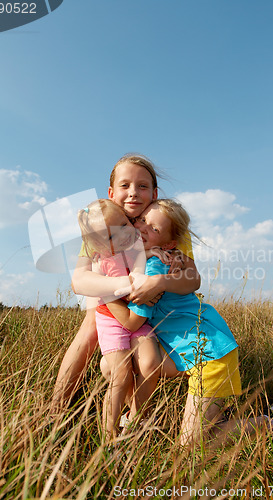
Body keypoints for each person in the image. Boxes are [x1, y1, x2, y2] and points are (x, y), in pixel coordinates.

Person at [103, 199, 273, 447]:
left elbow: (133, 323)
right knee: (112, 364)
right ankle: (141, 419)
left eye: (154, 229)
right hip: (182, 350)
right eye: (143, 221)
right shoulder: (149, 258)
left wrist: (103, 298)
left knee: (191, 447)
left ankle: (269, 420)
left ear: (169, 244)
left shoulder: (154, 269)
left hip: (209, 355)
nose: (144, 228)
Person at [51, 153, 200, 410]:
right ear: (111, 193)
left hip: (156, 311)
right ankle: (56, 409)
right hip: (118, 294)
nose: (133, 192)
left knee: (144, 356)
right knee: (91, 328)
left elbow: (193, 278)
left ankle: (135, 415)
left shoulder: (166, 224)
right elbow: (79, 281)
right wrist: (130, 283)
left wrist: (162, 280)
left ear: (154, 193)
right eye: (124, 185)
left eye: (142, 186)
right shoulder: (103, 223)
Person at [77, 199, 162, 438]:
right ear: (101, 247)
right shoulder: (101, 263)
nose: (124, 234)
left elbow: (140, 269)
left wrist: (150, 253)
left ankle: (135, 418)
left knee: (150, 362)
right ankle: (109, 435)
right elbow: (130, 283)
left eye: (125, 224)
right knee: (121, 374)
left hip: (137, 319)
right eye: (113, 236)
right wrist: (140, 285)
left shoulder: (137, 245)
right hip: (112, 321)